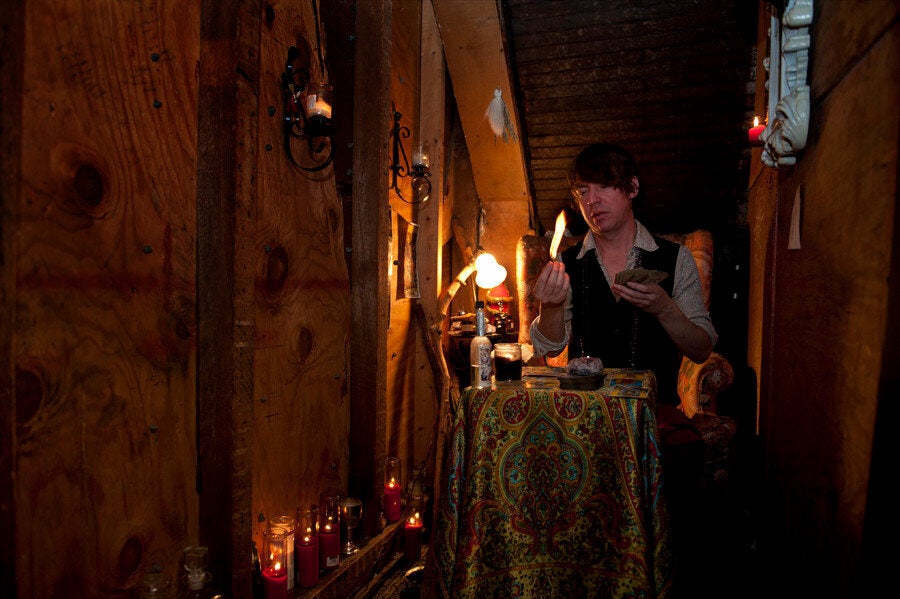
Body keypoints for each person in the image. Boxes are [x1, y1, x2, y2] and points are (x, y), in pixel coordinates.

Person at [530, 142, 718, 593]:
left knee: (683, 458)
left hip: (651, 415)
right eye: (582, 192)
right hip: (585, 414)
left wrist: (666, 310)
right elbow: (550, 343)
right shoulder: (570, 261)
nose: (592, 202)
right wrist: (549, 305)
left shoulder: (674, 260)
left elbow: (702, 346)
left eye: (605, 188)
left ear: (632, 188)